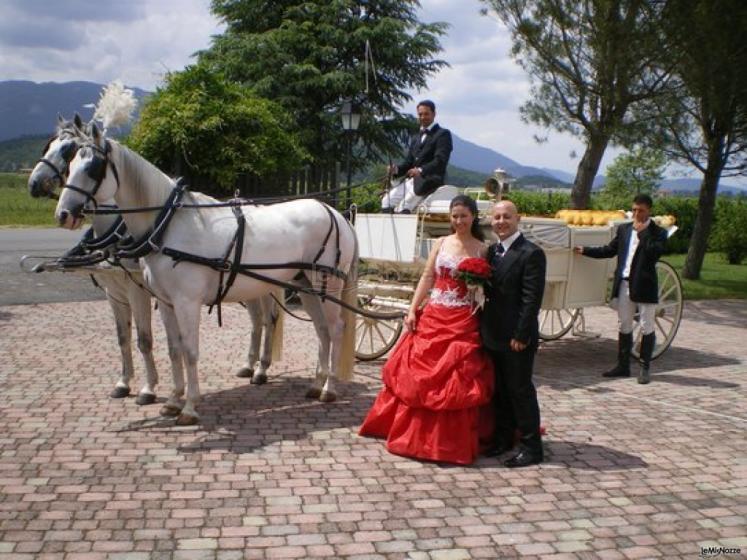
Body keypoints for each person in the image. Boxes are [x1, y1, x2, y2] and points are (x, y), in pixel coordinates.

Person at [359, 195, 494, 465]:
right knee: (417, 371)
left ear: (473, 216)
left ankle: (448, 442)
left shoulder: (482, 248)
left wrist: (476, 288)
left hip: (462, 318)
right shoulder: (441, 243)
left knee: (457, 376)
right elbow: (428, 276)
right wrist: (412, 309)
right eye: (454, 216)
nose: (458, 221)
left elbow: (487, 286)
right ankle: (406, 432)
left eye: (463, 216)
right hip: (435, 312)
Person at [574, 194, 667, 384]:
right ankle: (623, 366)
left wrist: (642, 233)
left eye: (640, 210)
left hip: (644, 285)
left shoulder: (658, 232)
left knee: (646, 325)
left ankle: (644, 368)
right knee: (624, 324)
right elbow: (609, 250)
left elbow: (654, 253)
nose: (636, 214)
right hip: (624, 283)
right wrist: (586, 250)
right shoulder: (624, 230)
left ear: (649, 210)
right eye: (633, 210)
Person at [480, 200, 546, 468]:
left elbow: (532, 300)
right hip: (493, 335)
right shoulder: (493, 252)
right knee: (500, 392)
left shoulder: (531, 253)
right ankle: (503, 438)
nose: (501, 221)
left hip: (516, 339)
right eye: (496, 217)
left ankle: (532, 447)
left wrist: (521, 335)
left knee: (520, 391)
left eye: (506, 217)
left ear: (517, 219)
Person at [381, 100, 453, 214]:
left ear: (434, 114)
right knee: (386, 201)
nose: (423, 117)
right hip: (412, 181)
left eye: (426, 114)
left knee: (405, 205)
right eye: (420, 114)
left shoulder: (443, 134)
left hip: (430, 180)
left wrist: (420, 170)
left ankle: (403, 227)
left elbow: (440, 160)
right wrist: (396, 169)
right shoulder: (416, 137)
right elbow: (409, 162)